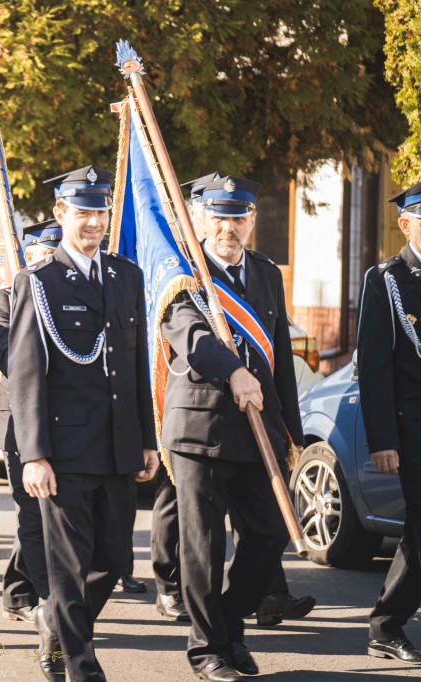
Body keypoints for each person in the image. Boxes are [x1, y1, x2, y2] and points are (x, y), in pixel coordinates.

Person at [9, 166, 158, 681]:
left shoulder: (125, 276)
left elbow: (137, 366)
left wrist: (147, 439)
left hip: (119, 445)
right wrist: (34, 455)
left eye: (100, 212)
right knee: (69, 567)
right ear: (60, 214)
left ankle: (54, 619)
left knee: (114, 560)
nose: (93, 221)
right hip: (65, 449)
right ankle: (79, 664)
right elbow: (26, 373)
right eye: (82, 212)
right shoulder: (38, 281)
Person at [159, 175, 304, 681]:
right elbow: (189, 336)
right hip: (198, 429)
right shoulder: (181, 271)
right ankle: (208, 651)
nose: (230, 226)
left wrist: (293, 432)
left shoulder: (265, 272)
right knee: (203, 547)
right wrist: (234, 371)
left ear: (251, 220)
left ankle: (225, 624)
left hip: (257, 427)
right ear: (200, 218)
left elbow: (279, 356)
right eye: (219, 216)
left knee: (269, 534)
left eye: (239, 216)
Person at [356, 181, 421, 666]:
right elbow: (373, 364)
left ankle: (388, 621)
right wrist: (383, 439)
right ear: (406, 224)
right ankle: (387, 624)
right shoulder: (388, 279)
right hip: (413, 428)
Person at [0, 220, 60, 626]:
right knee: (33, 516)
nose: (50, 261)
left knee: (51, 514)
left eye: (55, 254)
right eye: (42, 255)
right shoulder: (6, 299)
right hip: (21, 426)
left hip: (66, 425)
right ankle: (51, 603)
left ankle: (17, 591)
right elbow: (8, 358)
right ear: (27, 257)